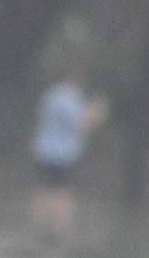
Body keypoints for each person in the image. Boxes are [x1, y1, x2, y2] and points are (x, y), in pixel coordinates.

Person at [30, 76, 105, 243]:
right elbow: (80, 126)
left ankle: (37, 231)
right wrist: (96, 113)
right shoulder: (70, 99)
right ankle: (61, 235)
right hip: (61, 155)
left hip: (42, 150)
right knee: (62, 195)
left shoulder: (51, 95)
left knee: (42, 190)